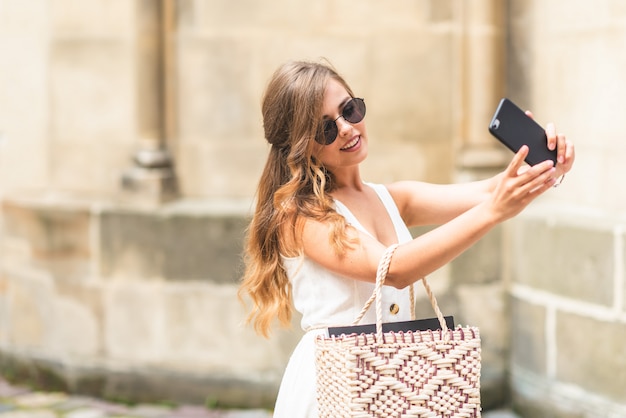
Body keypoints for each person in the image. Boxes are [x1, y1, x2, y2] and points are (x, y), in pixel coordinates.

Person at [238, 60, 575, 417]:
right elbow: (393, 268)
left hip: (392, 380)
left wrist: (546, 167)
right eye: (325, 129)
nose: (347, 129)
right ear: (300, 145)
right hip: (333, 387)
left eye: (349, 110)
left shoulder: (392, 198)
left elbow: (489, 192)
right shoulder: (299, 214)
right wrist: (494, 210)